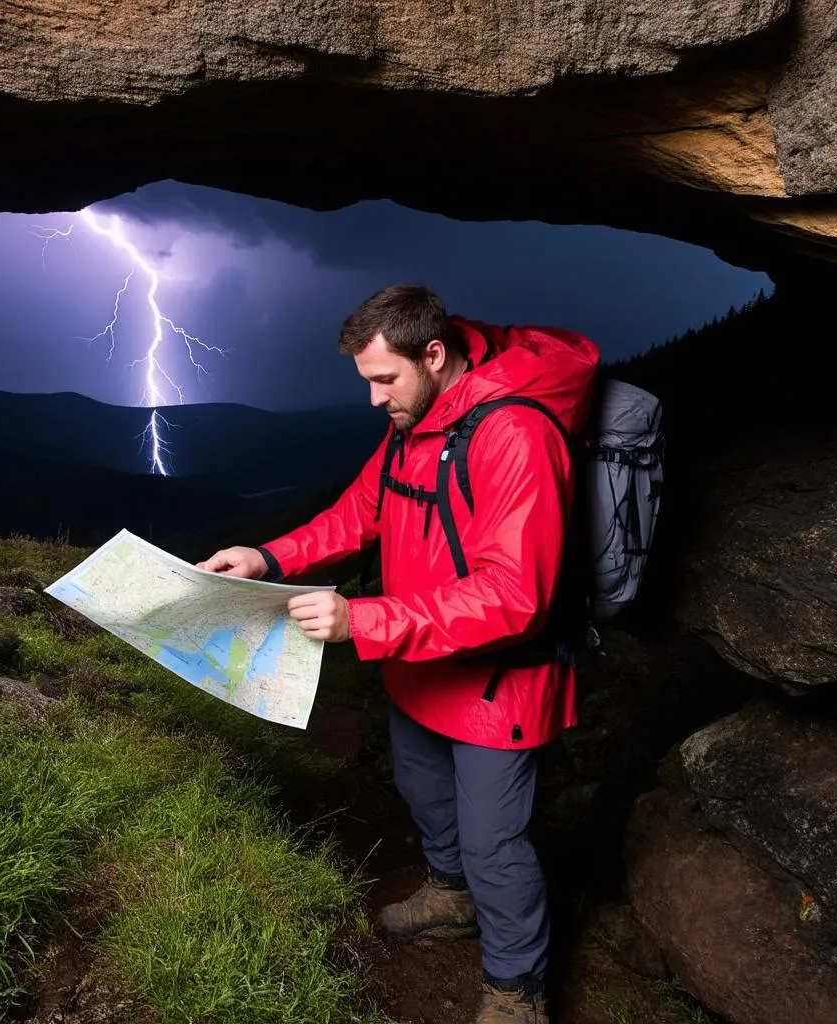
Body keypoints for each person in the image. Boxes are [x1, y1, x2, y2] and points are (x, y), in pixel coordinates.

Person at [198, 284, 599, 1024]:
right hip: (417, 665)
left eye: (386, 379)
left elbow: (517, 595)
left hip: (497, 682)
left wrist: (364, 621)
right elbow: (360, 513)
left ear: (434, 354)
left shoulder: (514, 433)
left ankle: (519, 992)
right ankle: (450, 900)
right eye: (367, 382)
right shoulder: (416, 420)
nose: (375, 399)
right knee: (426, 795)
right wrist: (266, 555)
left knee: (495, 845)